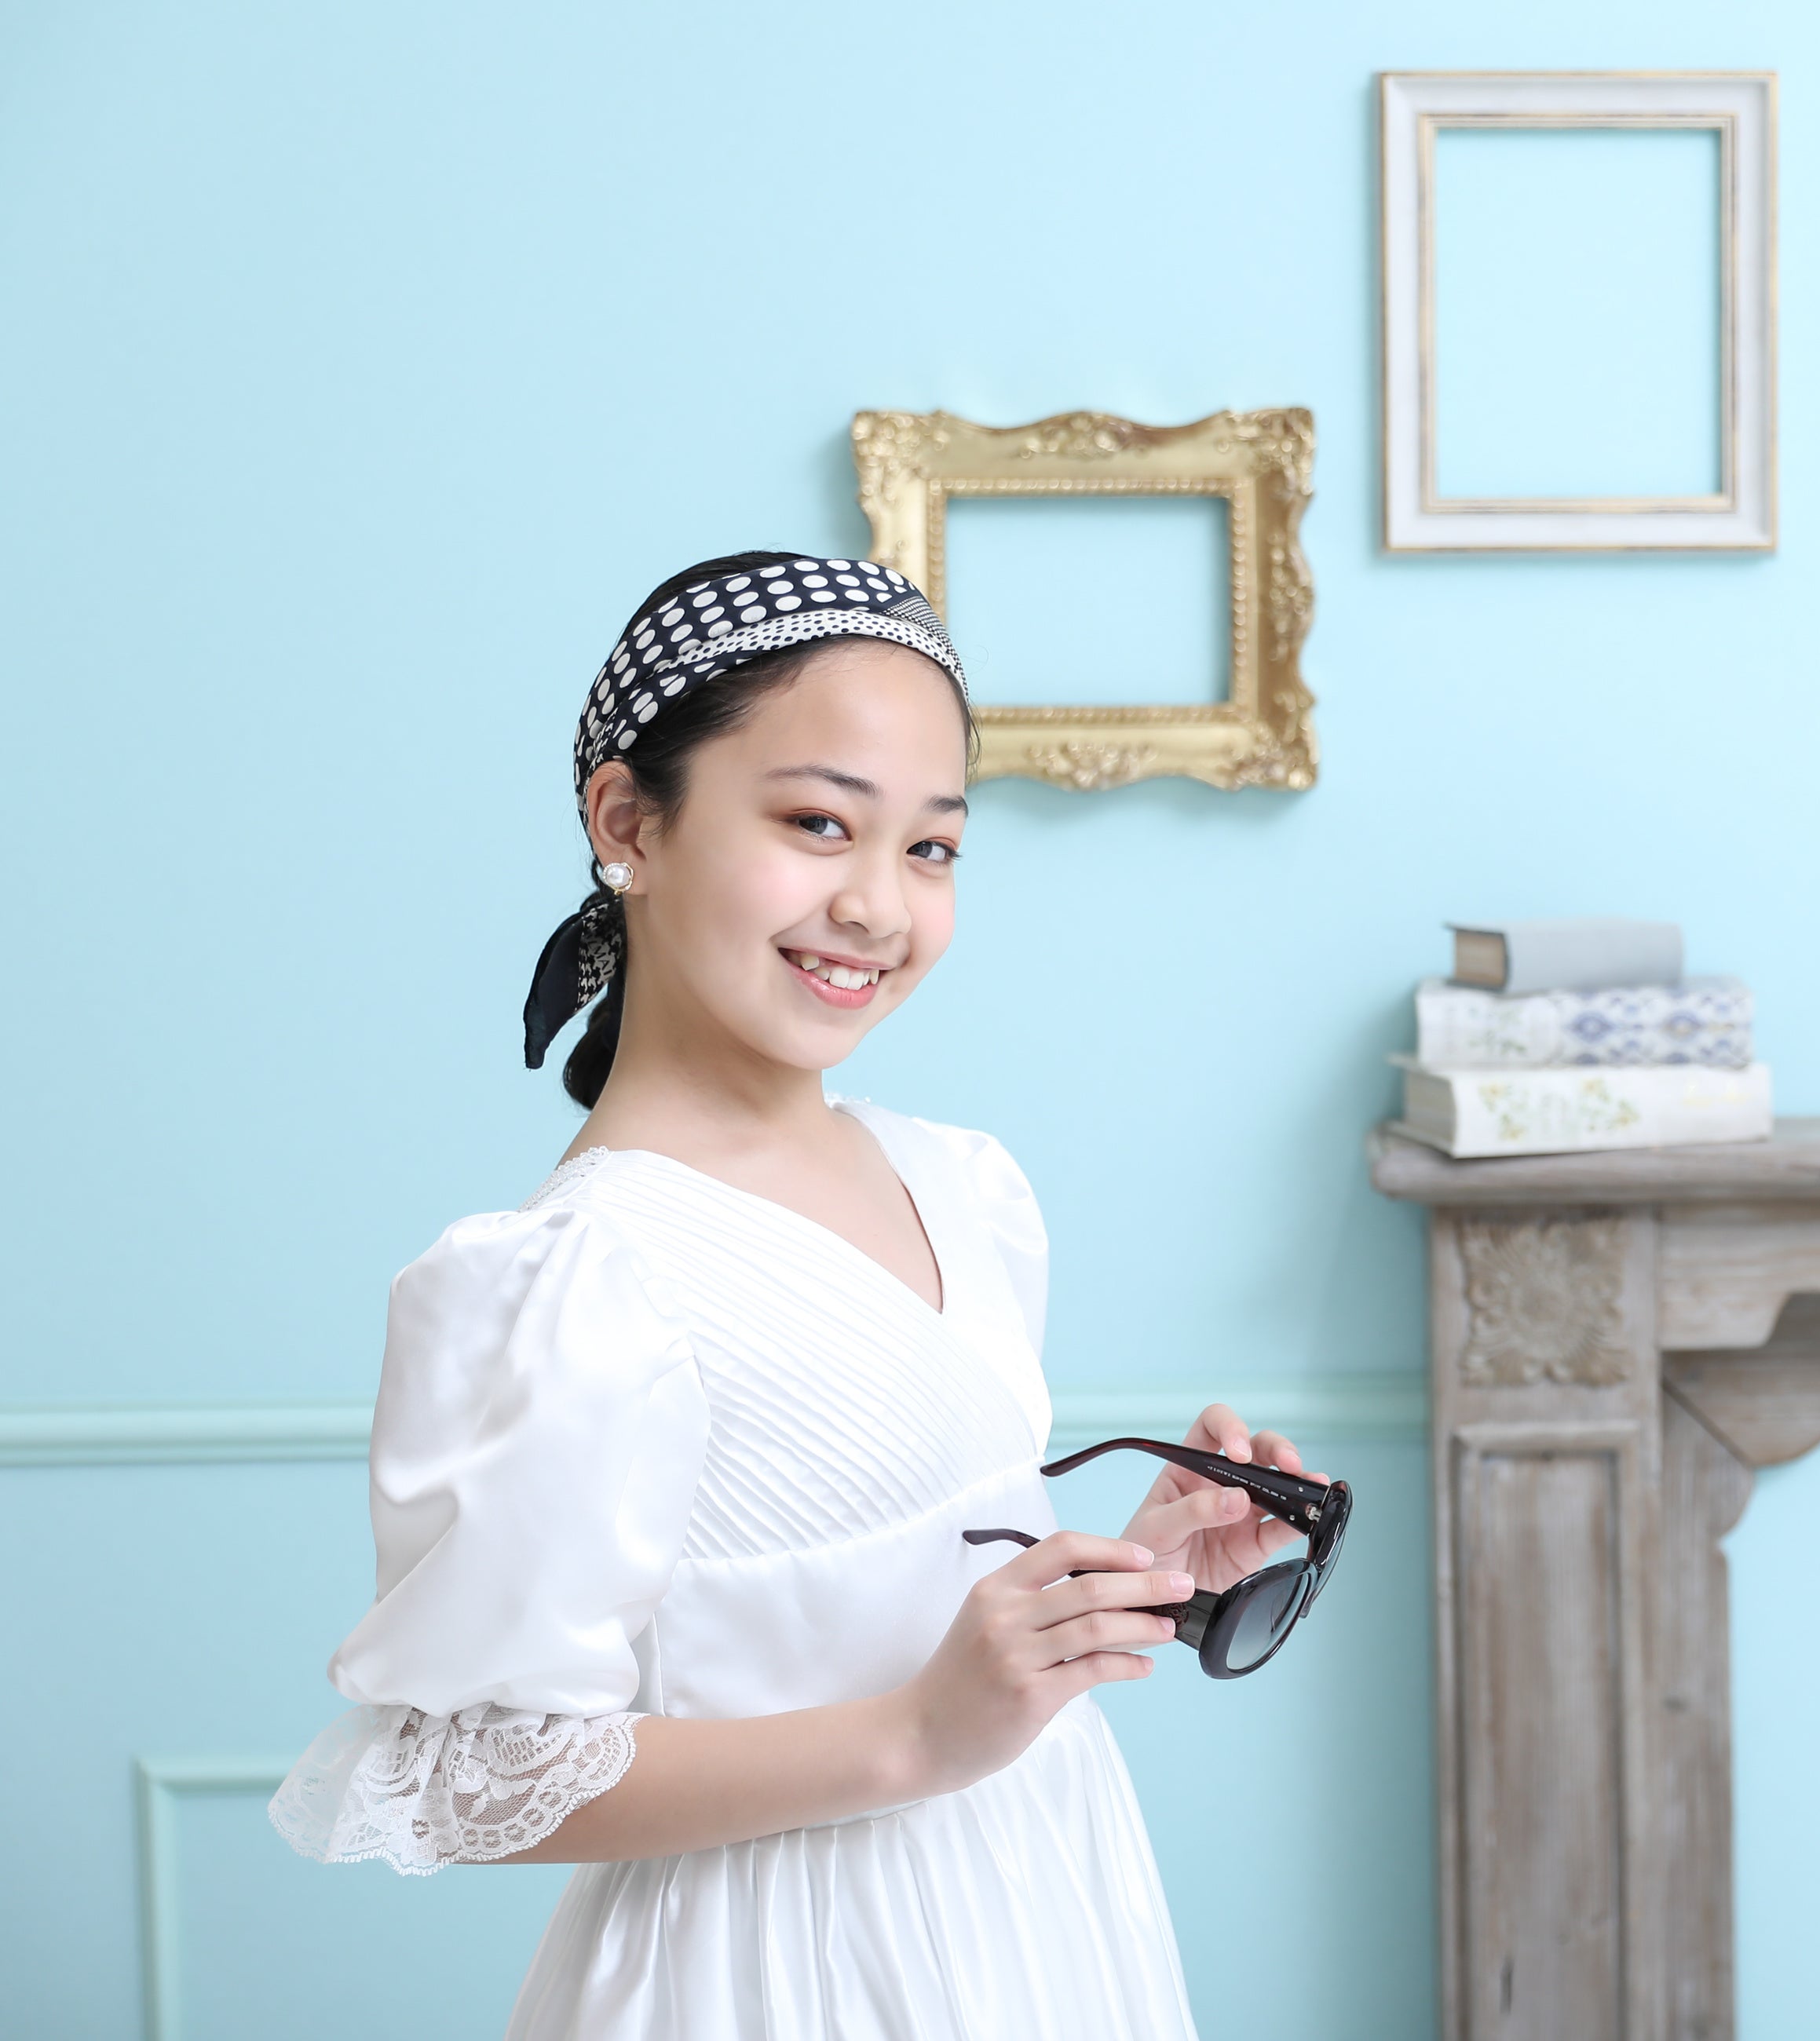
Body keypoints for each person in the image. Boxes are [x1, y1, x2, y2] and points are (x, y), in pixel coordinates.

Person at [270, 553, 1298, 2038]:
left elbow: (885, 1591)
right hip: (774, 1969)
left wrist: (1124, 1574)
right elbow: (480, 1777)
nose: (877, 905)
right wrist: (914, 1739)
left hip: (1036, 1905)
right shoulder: (574, 1280)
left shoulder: (959, 1184)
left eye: (932, 847)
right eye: (819, 823)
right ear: (628, 822)